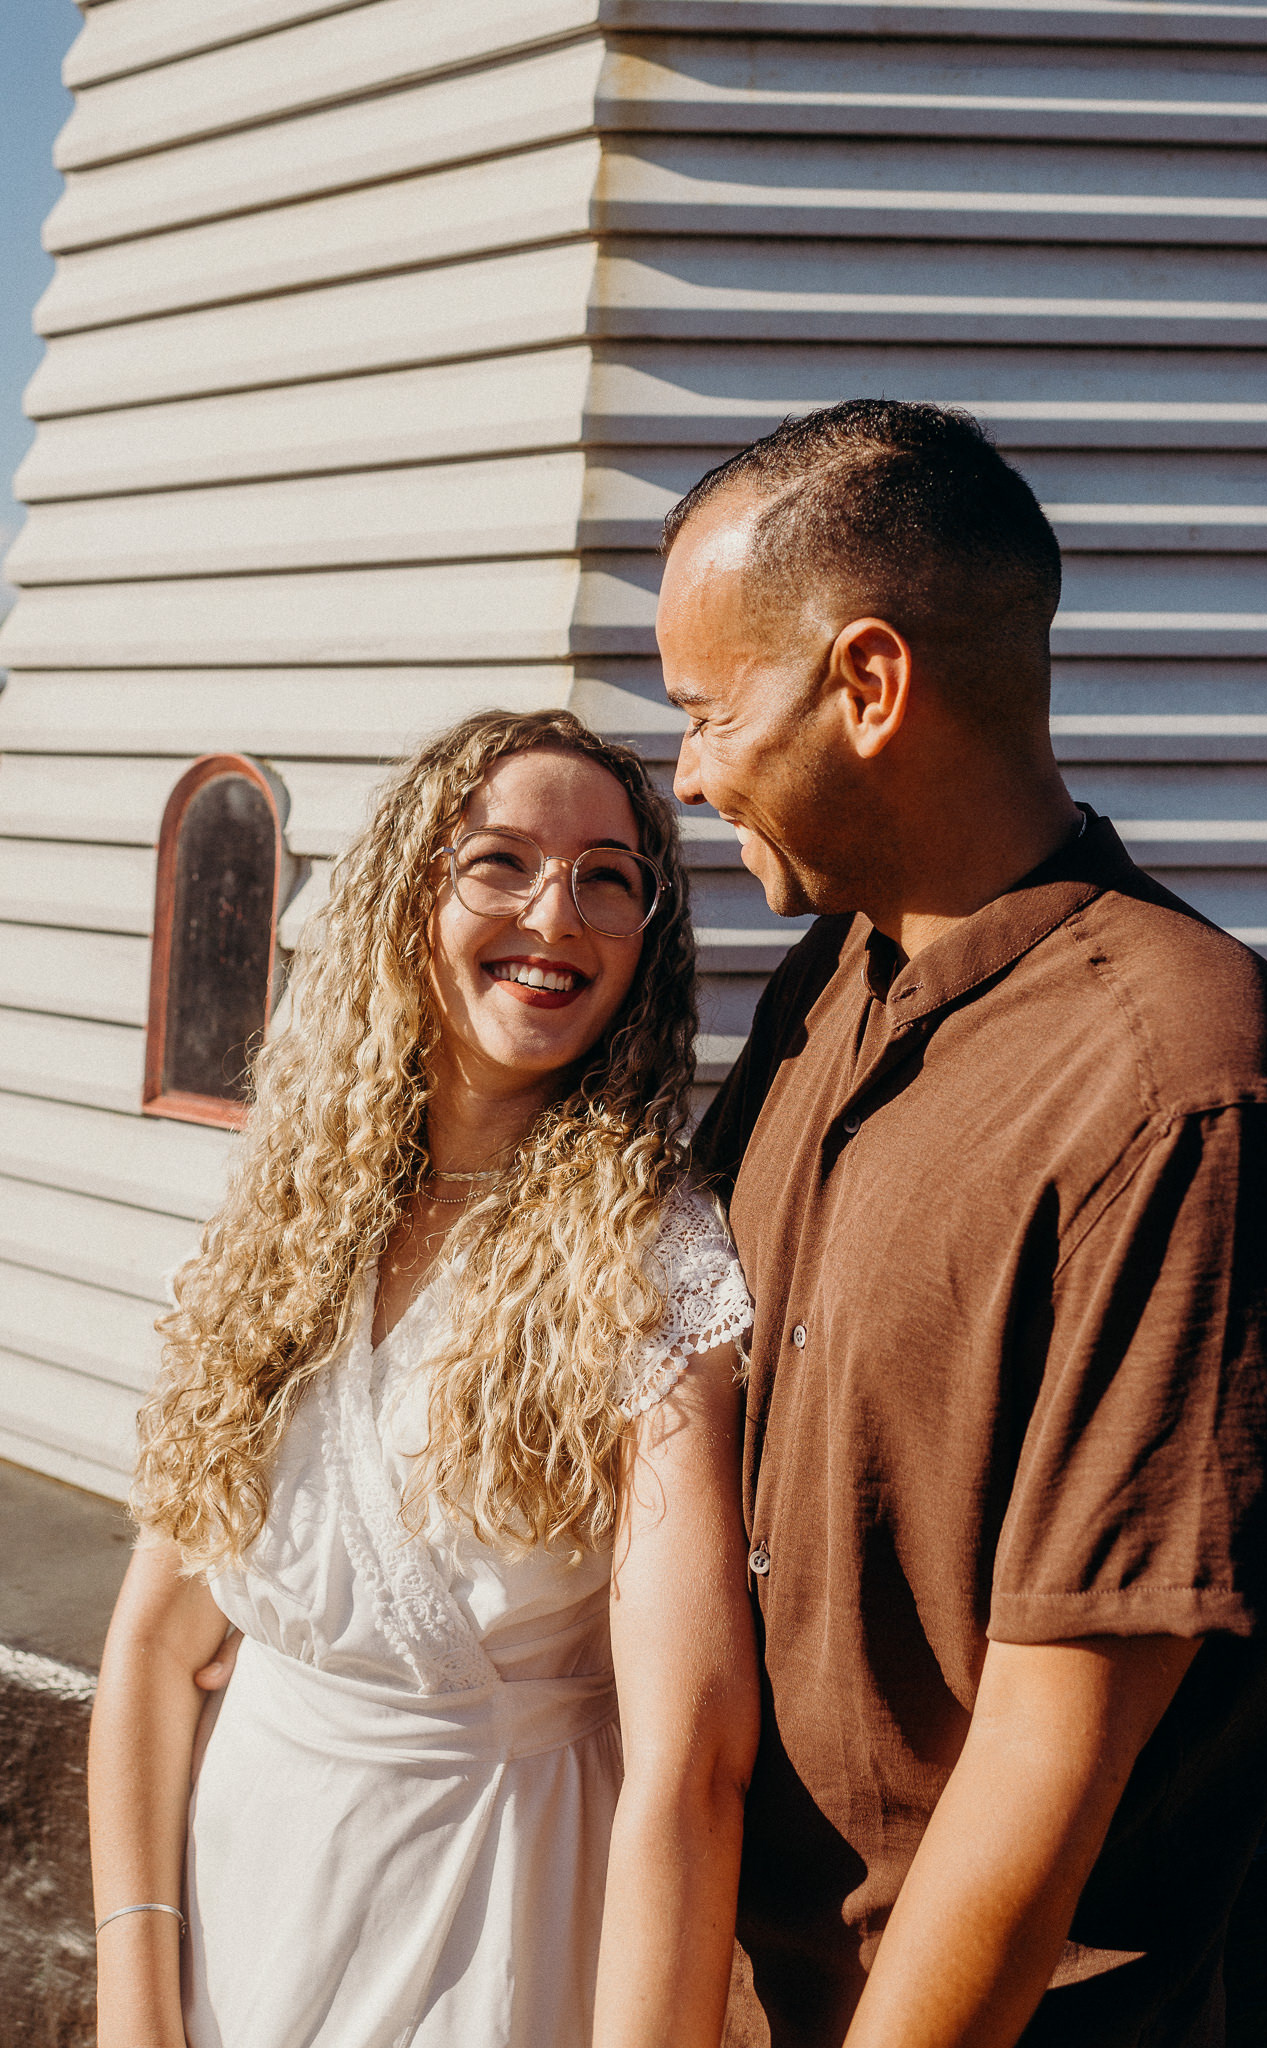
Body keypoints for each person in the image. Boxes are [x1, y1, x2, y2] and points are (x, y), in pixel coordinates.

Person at [655, 401, 1267, 2048]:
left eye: (707, 711)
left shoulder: (1184, 1086)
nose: (686, 773)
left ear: (869, 683)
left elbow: (1056, 1750)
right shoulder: (830, 985)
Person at [88, 709, 758, 2048]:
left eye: (607, 877)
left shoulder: (653, 1260)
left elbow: (691, 1759)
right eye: (501, 861)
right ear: (409, 896)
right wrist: (137, 1995)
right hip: (241, 1892)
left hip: (495, 1918)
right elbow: (158, 1642)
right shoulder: (293, 1214)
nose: (555, 915)